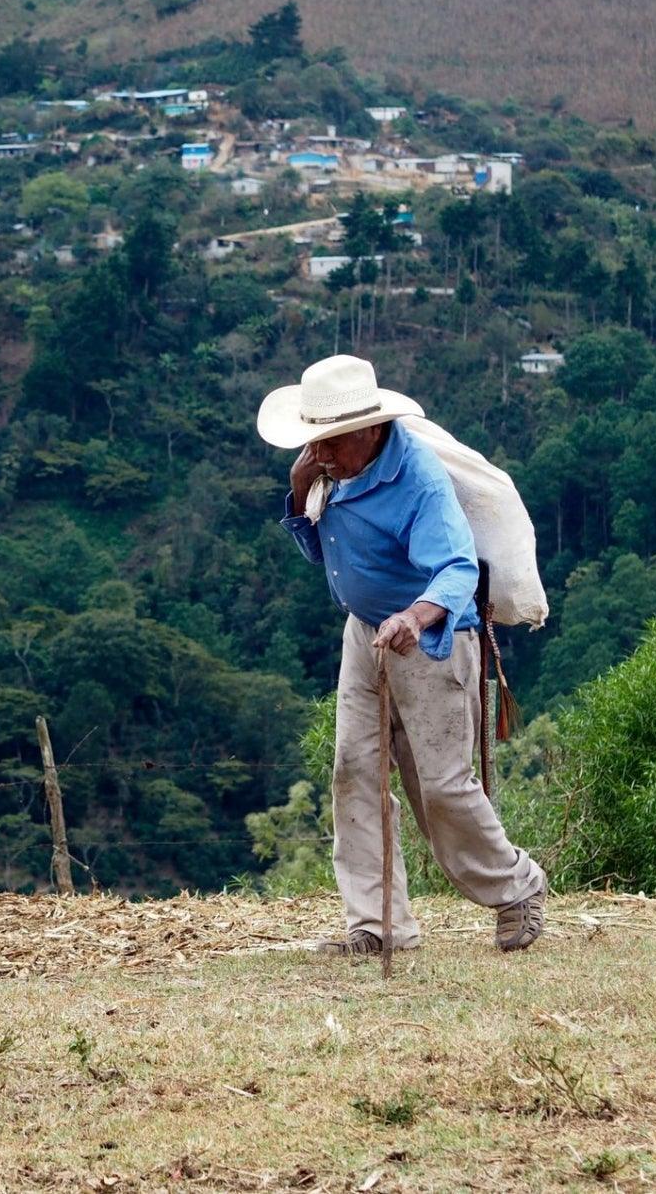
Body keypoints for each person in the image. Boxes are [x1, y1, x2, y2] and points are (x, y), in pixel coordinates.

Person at [257, 354, 546, 955]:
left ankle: (517, 887)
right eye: (314, 441)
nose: (320, 453)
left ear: (369, 429)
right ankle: (377, 926)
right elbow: (323, 553)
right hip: (363, 634)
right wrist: (299, 488)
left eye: (329, 442)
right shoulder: (328, 470)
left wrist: (414, 617)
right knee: (353, 772)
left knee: (441, 786)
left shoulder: (417, 477)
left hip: (433, 639)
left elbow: (456, 567)